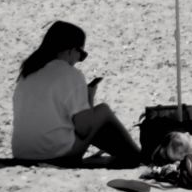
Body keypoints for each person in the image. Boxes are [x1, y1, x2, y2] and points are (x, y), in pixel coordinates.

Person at [10, 21, 142, 168]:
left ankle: (130, 155)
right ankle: (136, 155)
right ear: (70, 50)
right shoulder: (70, 74)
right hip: (55, 155)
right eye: (81, 55)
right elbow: (84, 129)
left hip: (21, 154)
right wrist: (89, 98)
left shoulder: (28, 72)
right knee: (103, 111)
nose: (79, 61)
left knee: (90, 117)